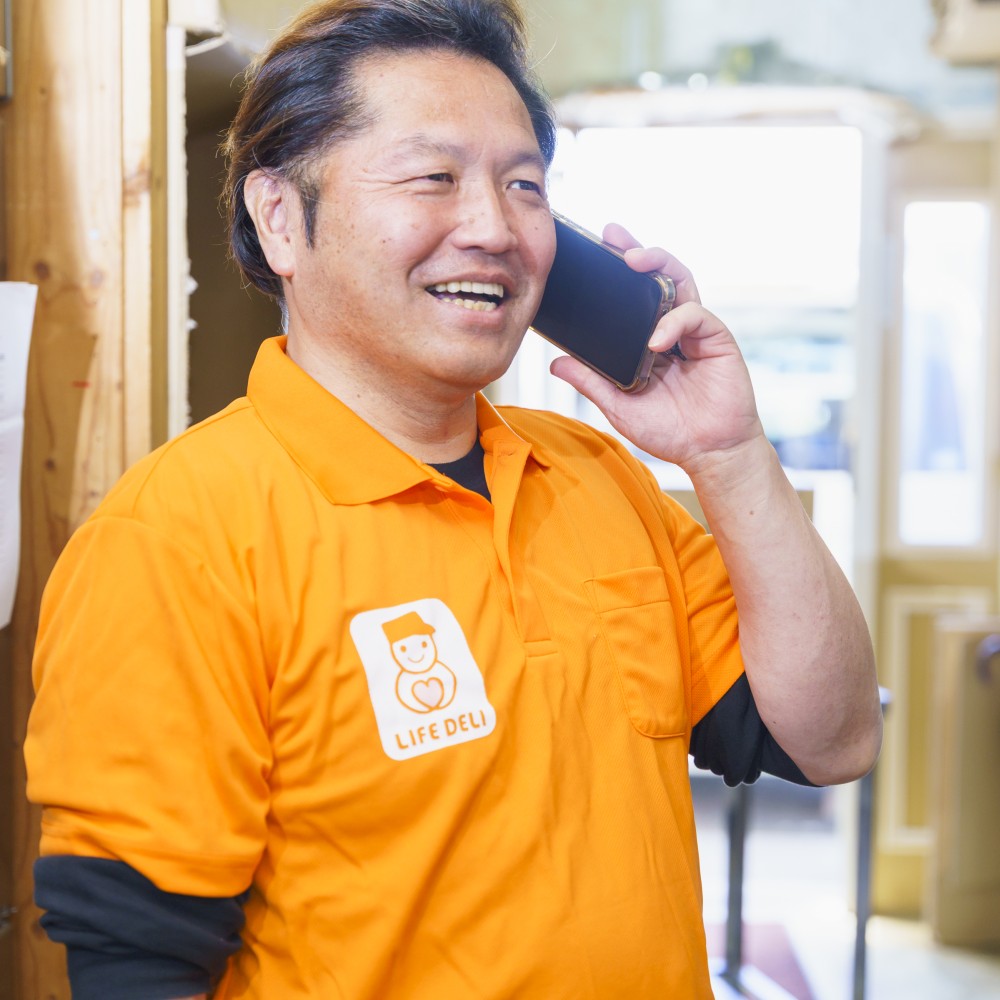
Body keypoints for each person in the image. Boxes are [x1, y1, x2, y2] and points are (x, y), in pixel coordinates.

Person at [24, 0, 883, 997]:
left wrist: (728, 452)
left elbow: (833, 741)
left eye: (524, 187)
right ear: (280, 217)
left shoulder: (599, 478)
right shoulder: (176, 539)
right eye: (433, 177)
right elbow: (137, 961)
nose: (494, 229)